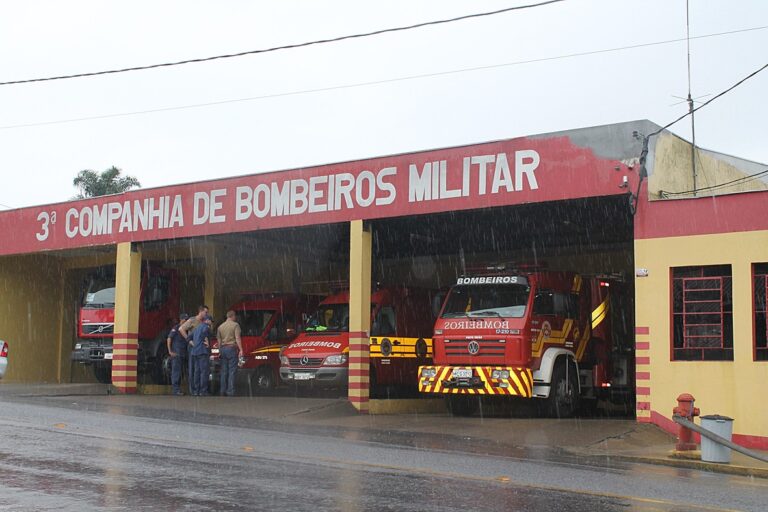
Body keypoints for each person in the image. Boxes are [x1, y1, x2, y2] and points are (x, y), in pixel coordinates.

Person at [180, 305, 209, 394]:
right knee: (193, 368)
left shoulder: (204, 322)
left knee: (198, 369)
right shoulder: (192, 320)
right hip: (193, 347)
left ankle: (198, 389)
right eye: (206, 312)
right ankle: (193, 390)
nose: (206, 314)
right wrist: (190, 341)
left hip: (201, 346)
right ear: (200, 311)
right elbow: (181, 329)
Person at [216, 310, 243, 397]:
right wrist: (241, 349)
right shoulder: (235, 325)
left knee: (223, 371)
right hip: (231, 348)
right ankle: (230, 391)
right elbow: (237, 337)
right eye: (235, 316)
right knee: (232, 371)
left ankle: (222, 390)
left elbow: (219, 340)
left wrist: (220, 350)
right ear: (233, 316)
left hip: (223, 349)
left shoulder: (220, 327)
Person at [166, 313, 190, 396]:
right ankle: (175, 390)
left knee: (181, 373)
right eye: (185, 320)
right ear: (181, 320)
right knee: (176, 372)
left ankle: (179, 389)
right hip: (176, 353)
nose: (186, 321)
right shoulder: (176, 328)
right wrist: (170, 351)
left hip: (184, 353)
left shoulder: (186, 329)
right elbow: (169, 338)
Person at [189, 314, 212, 396]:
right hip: (203, 352)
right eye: (210, 321)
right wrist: (206, 342)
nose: (211, 323)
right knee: (204, 372)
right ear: (207, 320)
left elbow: (189, 337)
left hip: (195, 352)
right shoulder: (206, 327)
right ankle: (203, 391)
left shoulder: (197, 328)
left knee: (197, 371)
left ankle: (196, 391)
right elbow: (204, 335)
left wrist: (194, 344)